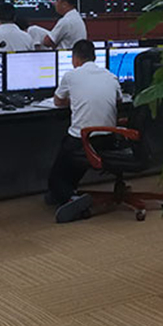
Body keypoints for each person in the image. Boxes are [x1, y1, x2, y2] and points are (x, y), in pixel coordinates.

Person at [48, 39, 121, 223]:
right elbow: (118, 100)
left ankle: (70, 198)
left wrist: (74, 100)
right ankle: (69, 193)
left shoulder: (71, 76)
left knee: (56, 175)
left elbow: (58, 101)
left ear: (75, 59)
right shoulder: (111, 76)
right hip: (108, 140)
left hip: (83, 140)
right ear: (94, 57)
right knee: (74, 160)